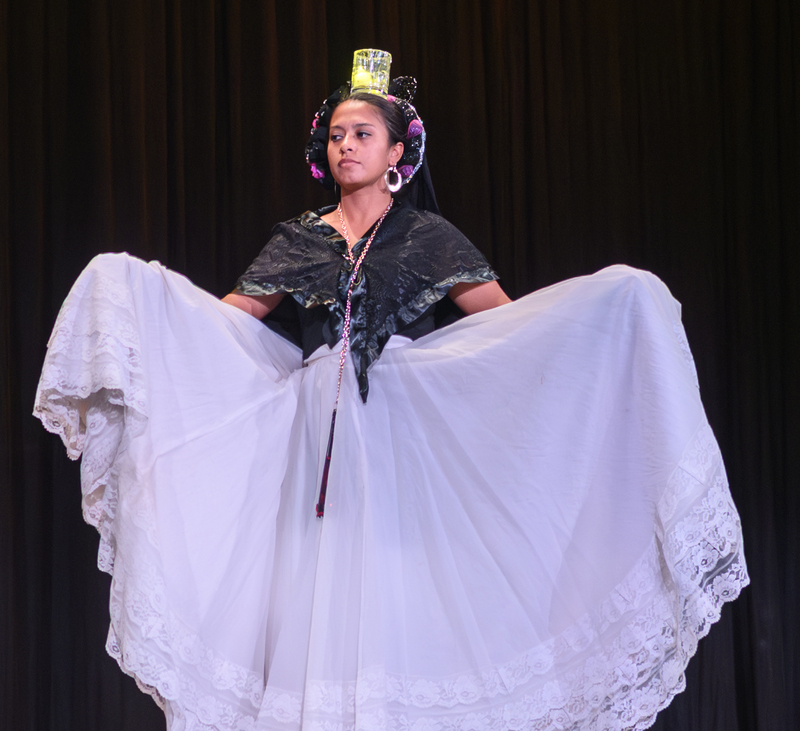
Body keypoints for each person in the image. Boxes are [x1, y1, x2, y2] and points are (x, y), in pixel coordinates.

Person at [34, 51, 748, 731]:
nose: (346, 145)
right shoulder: (299, 239)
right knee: (316, 594)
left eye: (362, 134)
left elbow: (512, 324)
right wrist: (143, 296)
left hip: (400, 436)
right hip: (314, 443)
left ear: (397, 152)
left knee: (394, 596)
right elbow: (223, 323)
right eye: (336, 135)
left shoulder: (425, 237)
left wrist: (605, 309)